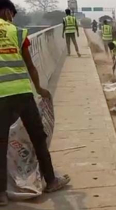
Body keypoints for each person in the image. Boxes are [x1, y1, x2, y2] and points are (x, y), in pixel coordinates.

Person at [0, 0, 71, 206]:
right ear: (6, 11)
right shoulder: (18, 32)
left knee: (1, 144)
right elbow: (30, 65)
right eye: (11, 14)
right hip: (22, 93)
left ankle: (1, 194)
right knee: (38, 137)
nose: (11, 17)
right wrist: (40, 89)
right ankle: (51, 180)